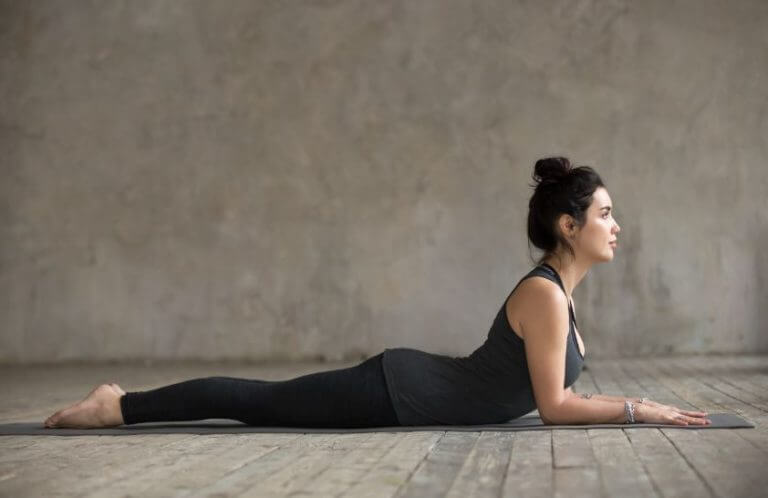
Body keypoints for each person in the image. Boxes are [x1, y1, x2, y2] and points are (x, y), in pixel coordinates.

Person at [44, 157, 711, 429]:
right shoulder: (544, 296)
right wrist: (641, 409)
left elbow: (549, 398)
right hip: (397, 391)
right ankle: (119, 405)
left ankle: (120, 404)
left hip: (412, 389)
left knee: (261, 402)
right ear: (569, 226)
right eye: (604, 215)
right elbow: (556, 405)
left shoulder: (560, 296)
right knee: (259, 402)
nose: (616, 226)